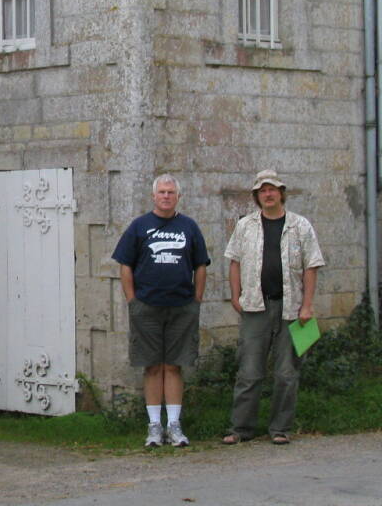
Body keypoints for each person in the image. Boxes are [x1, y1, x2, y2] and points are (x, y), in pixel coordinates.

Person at [222, 169, 325, 445]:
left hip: (291, 309)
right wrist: (235, 296)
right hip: (255, 307)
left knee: (286, 373)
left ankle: (280, 429)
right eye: (262, 190)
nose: (268, 194)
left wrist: (307, 305)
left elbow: (311, 266)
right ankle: (241, 429)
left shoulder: (300, 225)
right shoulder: (245, 226)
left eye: (272, 189)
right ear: (257, 196)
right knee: (249, 371)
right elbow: (234, 261)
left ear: (281, 193)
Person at [113, 174, 210, 447]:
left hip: (181, 307)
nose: (166, 196)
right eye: (162, 192)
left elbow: (201, 265)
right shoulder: (139, 227)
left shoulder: (188, 227)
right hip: (147, 308)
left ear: (178, 196)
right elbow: (125, 264)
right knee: (153, 366)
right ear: (154, 196)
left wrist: (196, 300)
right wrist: (133, 300)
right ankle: (154, 427)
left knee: (173, 366)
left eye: (171, 192)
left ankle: (174, 426)